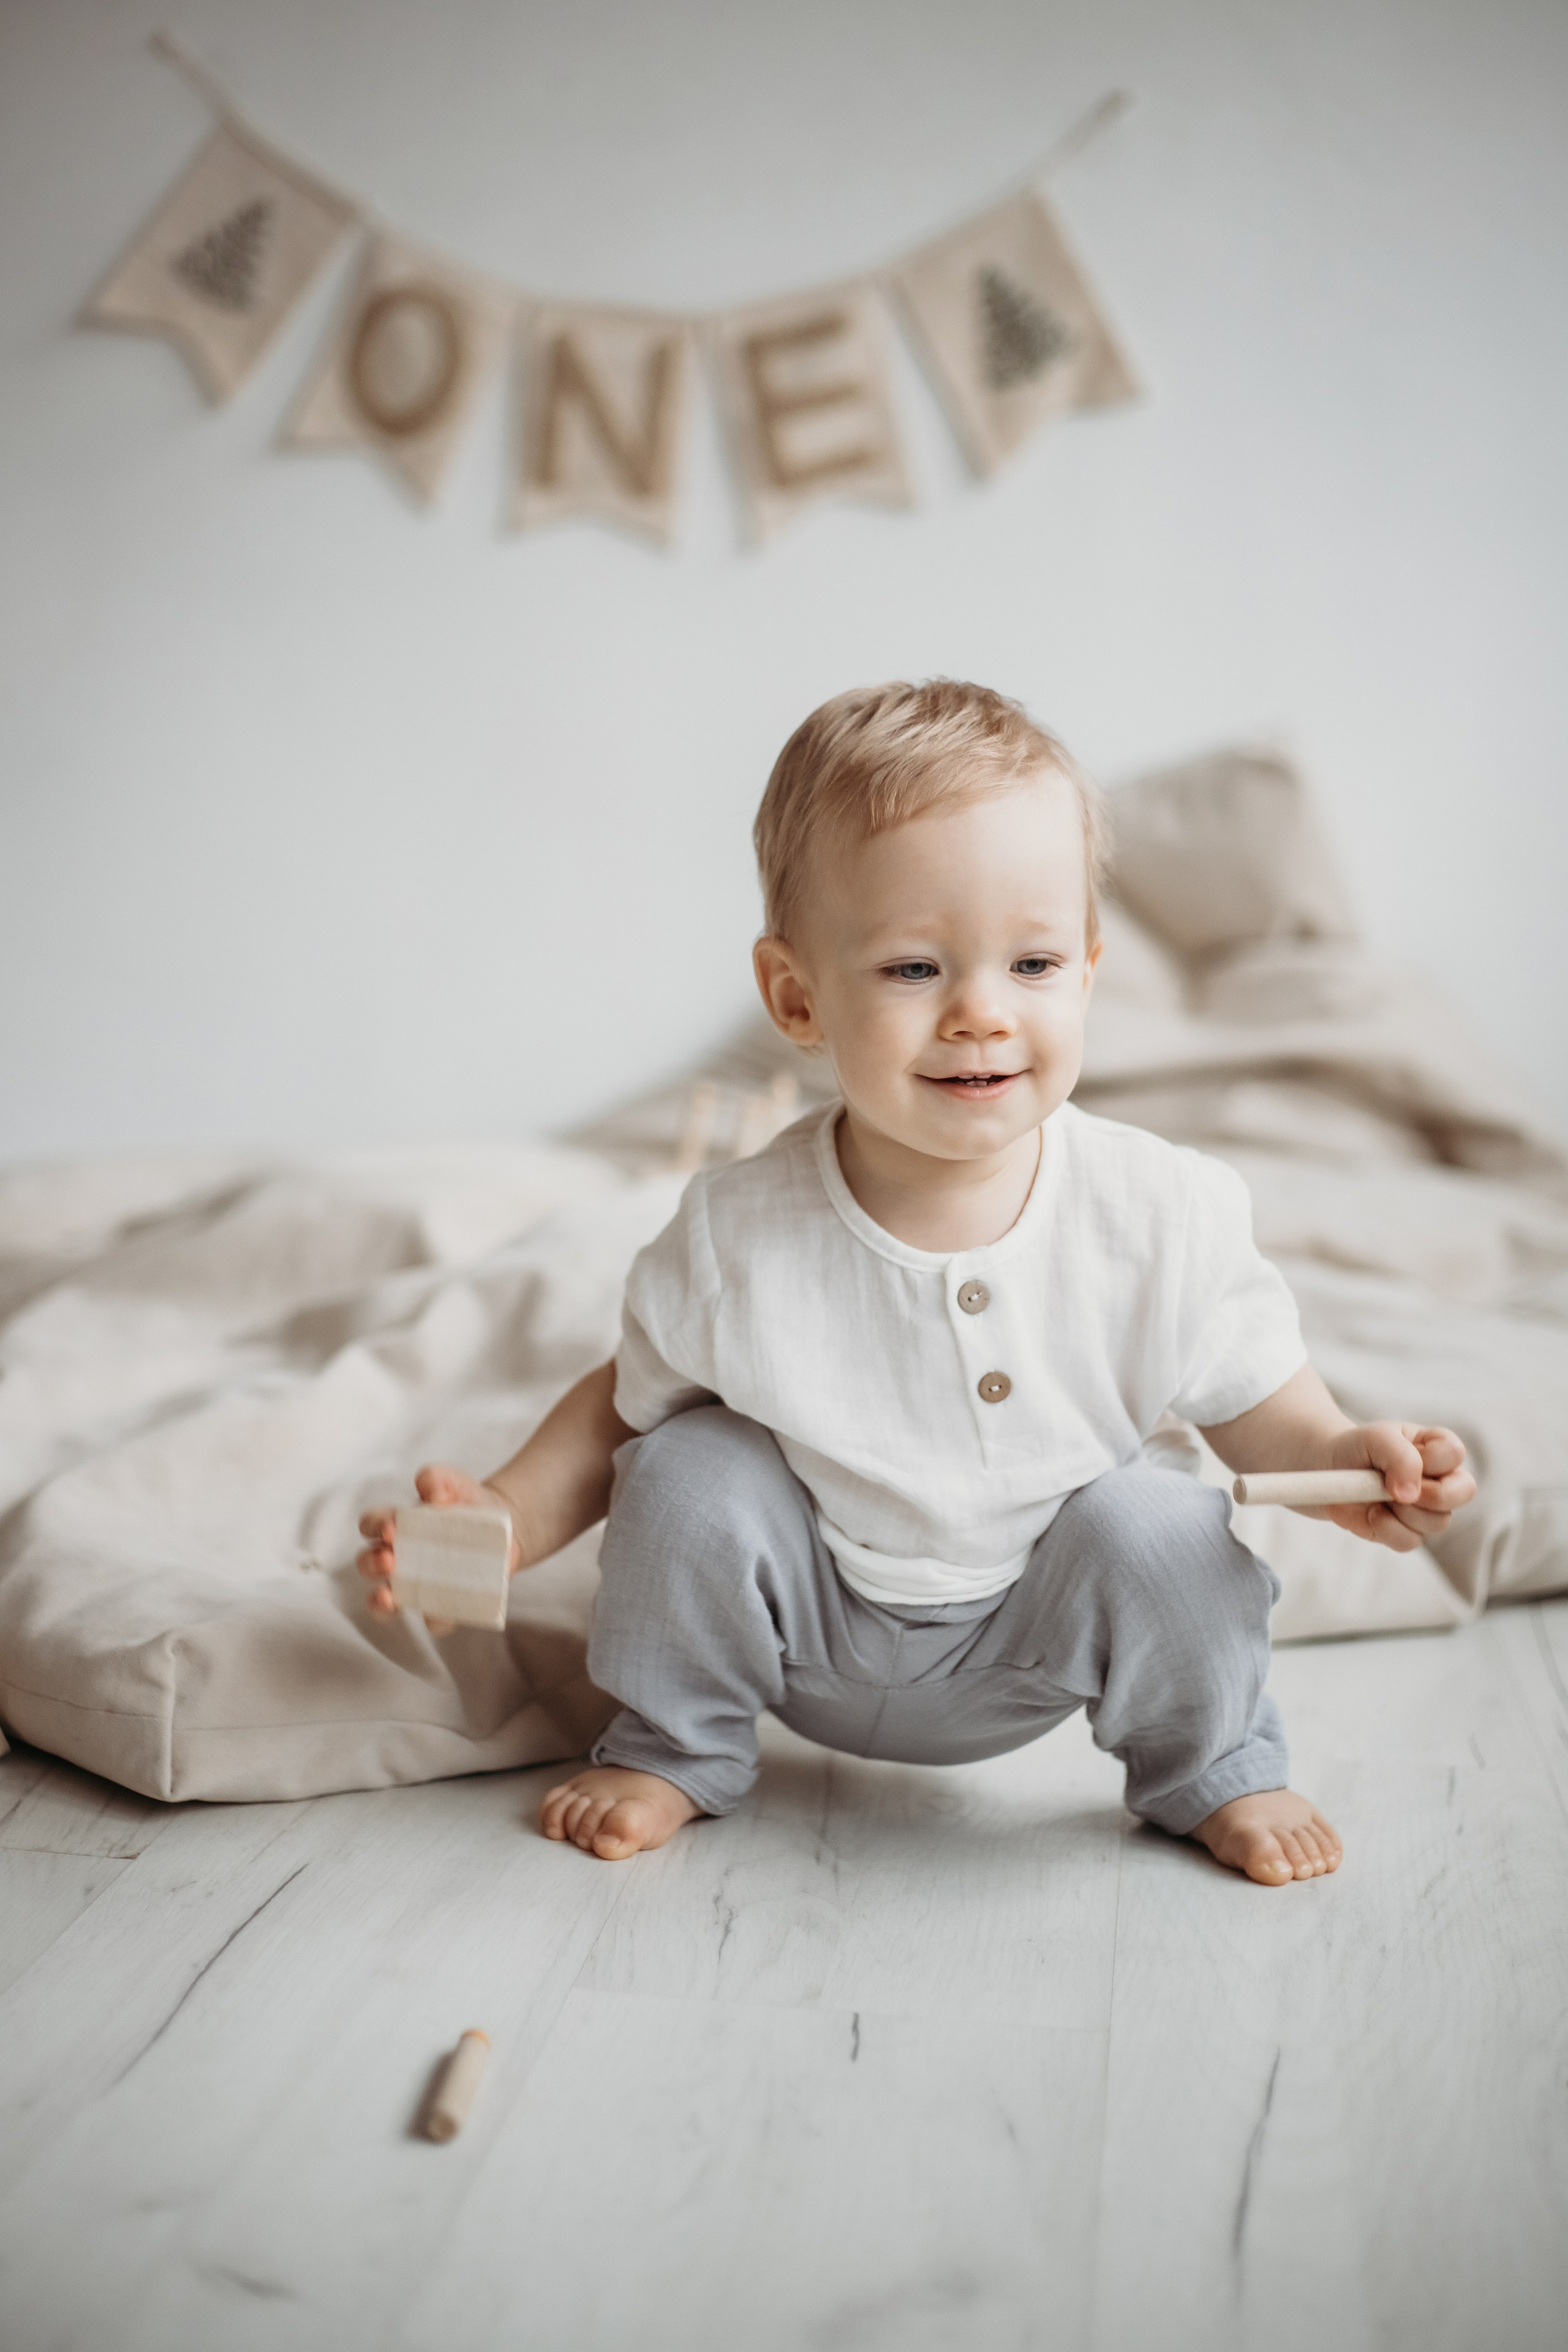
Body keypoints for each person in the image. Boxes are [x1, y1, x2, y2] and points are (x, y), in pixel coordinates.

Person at [358, 681, 1474, 1887]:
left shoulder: (1158, 1211)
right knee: (687, 1468)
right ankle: (675, 1746)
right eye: (911, 968)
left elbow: (1259, 1399)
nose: (980, 1013)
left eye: (1033, 962)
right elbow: (618, 1408)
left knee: (1157, 1520)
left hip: (1036, 1631)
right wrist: (505, 1521)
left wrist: (1344, 1459)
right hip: (810, 1624)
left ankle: (1213, 1767)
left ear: (1086, 974)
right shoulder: (738, 1230)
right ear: (797, 998)